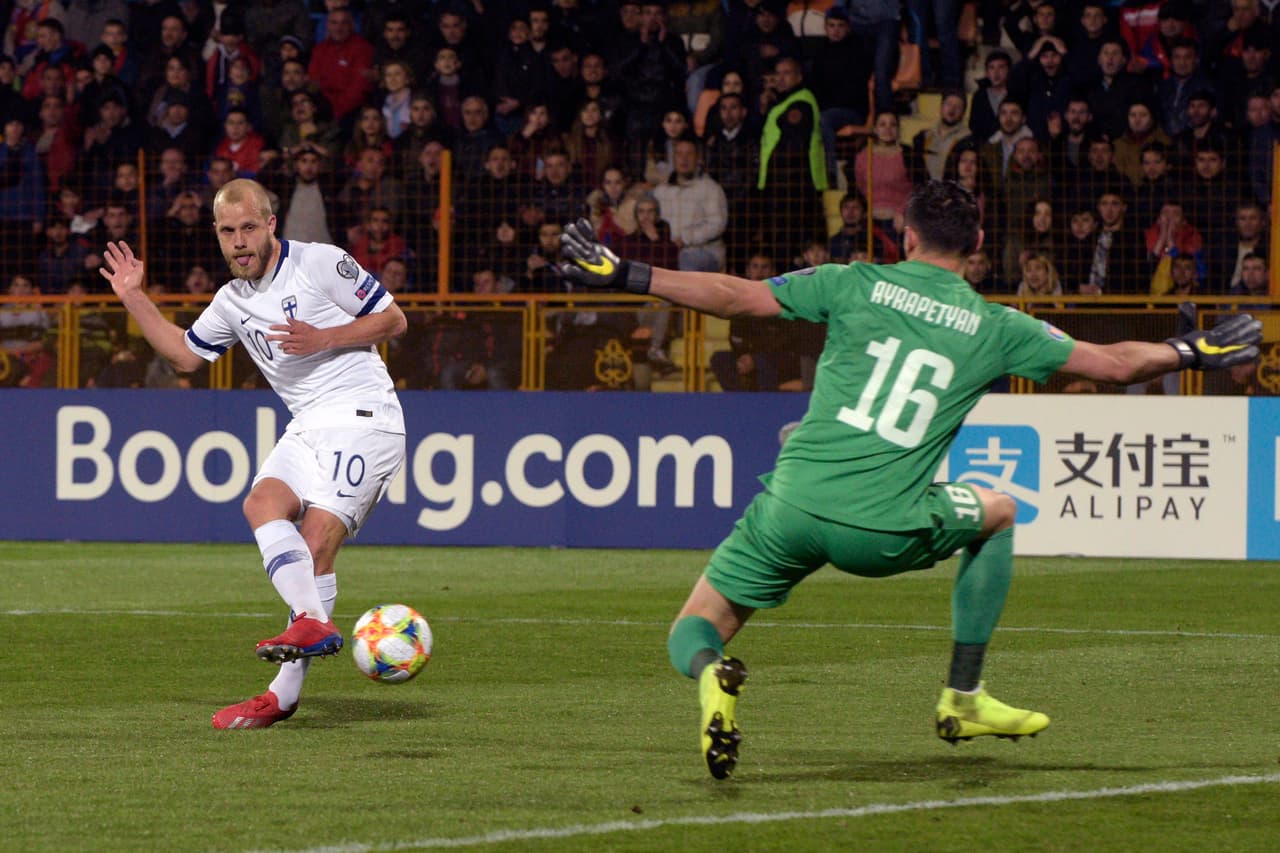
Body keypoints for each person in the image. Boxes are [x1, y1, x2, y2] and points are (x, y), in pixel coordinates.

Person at [557, 179, 1262, 779]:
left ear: (902, 233)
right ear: (979, 241)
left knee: (695, 626)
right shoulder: (996, 325)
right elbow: (1111, 364)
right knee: (999, 507)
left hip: (790, 508)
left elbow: (735, 296)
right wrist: (1189, 349)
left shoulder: (852, 280)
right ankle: (963, 694)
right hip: (882, 529)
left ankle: (714, 672)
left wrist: (628, 274)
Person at [97, 178, 409, 730]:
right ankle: (311, 626)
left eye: (247, 227)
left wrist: (325, 338)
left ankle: (283, 694)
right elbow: (185, 358)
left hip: (364, 419)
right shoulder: (232, 301)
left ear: (270, 224)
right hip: (308, 424)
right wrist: (133, 297)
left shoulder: (319, 264)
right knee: (262, 503)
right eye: (226, 231)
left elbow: (393, 320)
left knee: (315, 546)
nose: (238, 241)